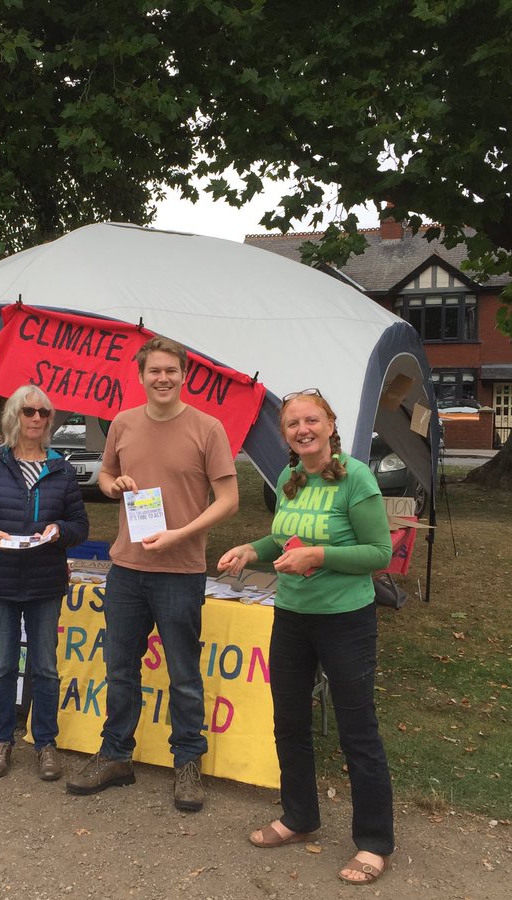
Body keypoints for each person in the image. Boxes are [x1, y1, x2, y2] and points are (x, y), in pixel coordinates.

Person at [216, 390, 394, 886]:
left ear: (330, 424)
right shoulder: (289, 479)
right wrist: (251, 549)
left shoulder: (356, 478)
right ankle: (299, 817)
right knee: (289, 721)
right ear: (286, 434)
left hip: (345, 619)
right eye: (292, 423)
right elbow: (282, 538)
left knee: (357, 730)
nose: (302, 429)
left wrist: (319, 556)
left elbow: (379, 553)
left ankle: (375, 842)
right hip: (291, 615)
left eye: (311, 419)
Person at [65, 336, 238, 812]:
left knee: (183, 675)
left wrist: (183, 533)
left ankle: (187, 764)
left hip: (181, 571)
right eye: (154, 371)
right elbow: (104, 477)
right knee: (120, 671)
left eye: (171, 370)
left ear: (185, 375)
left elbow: (228, 500)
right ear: (140, 376)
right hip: (125, 569)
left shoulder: (208, 428)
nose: (163, 378)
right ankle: (116, 755)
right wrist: (112, 483)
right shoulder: (122, 423)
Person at [0, 385, 89, 781]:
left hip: (45, 582)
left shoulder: (61, 468)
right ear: (14, 416)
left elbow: (79, 525)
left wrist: (59, 531)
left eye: (43, 413)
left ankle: (46, 743)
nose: (36, 419)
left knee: (46, 666)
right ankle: (3, 739)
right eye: (28, 411)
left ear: (50, 420)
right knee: (1, 665)